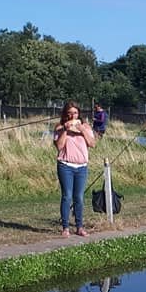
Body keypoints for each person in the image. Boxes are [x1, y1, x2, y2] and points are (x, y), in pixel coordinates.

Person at [54, 101, 97, 237]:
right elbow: (59, 146)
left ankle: (79, 227)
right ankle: (65, 227)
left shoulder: (85, 126)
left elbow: (92, 143)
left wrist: (82, 130)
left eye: (75, 113)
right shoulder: (60, 127)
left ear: (79, 114)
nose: (73, 115)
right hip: (66, 165)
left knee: (79, 197)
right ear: (66, 114)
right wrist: (66, 130)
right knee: (67, 196)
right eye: (70, 113)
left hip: (81, 167)